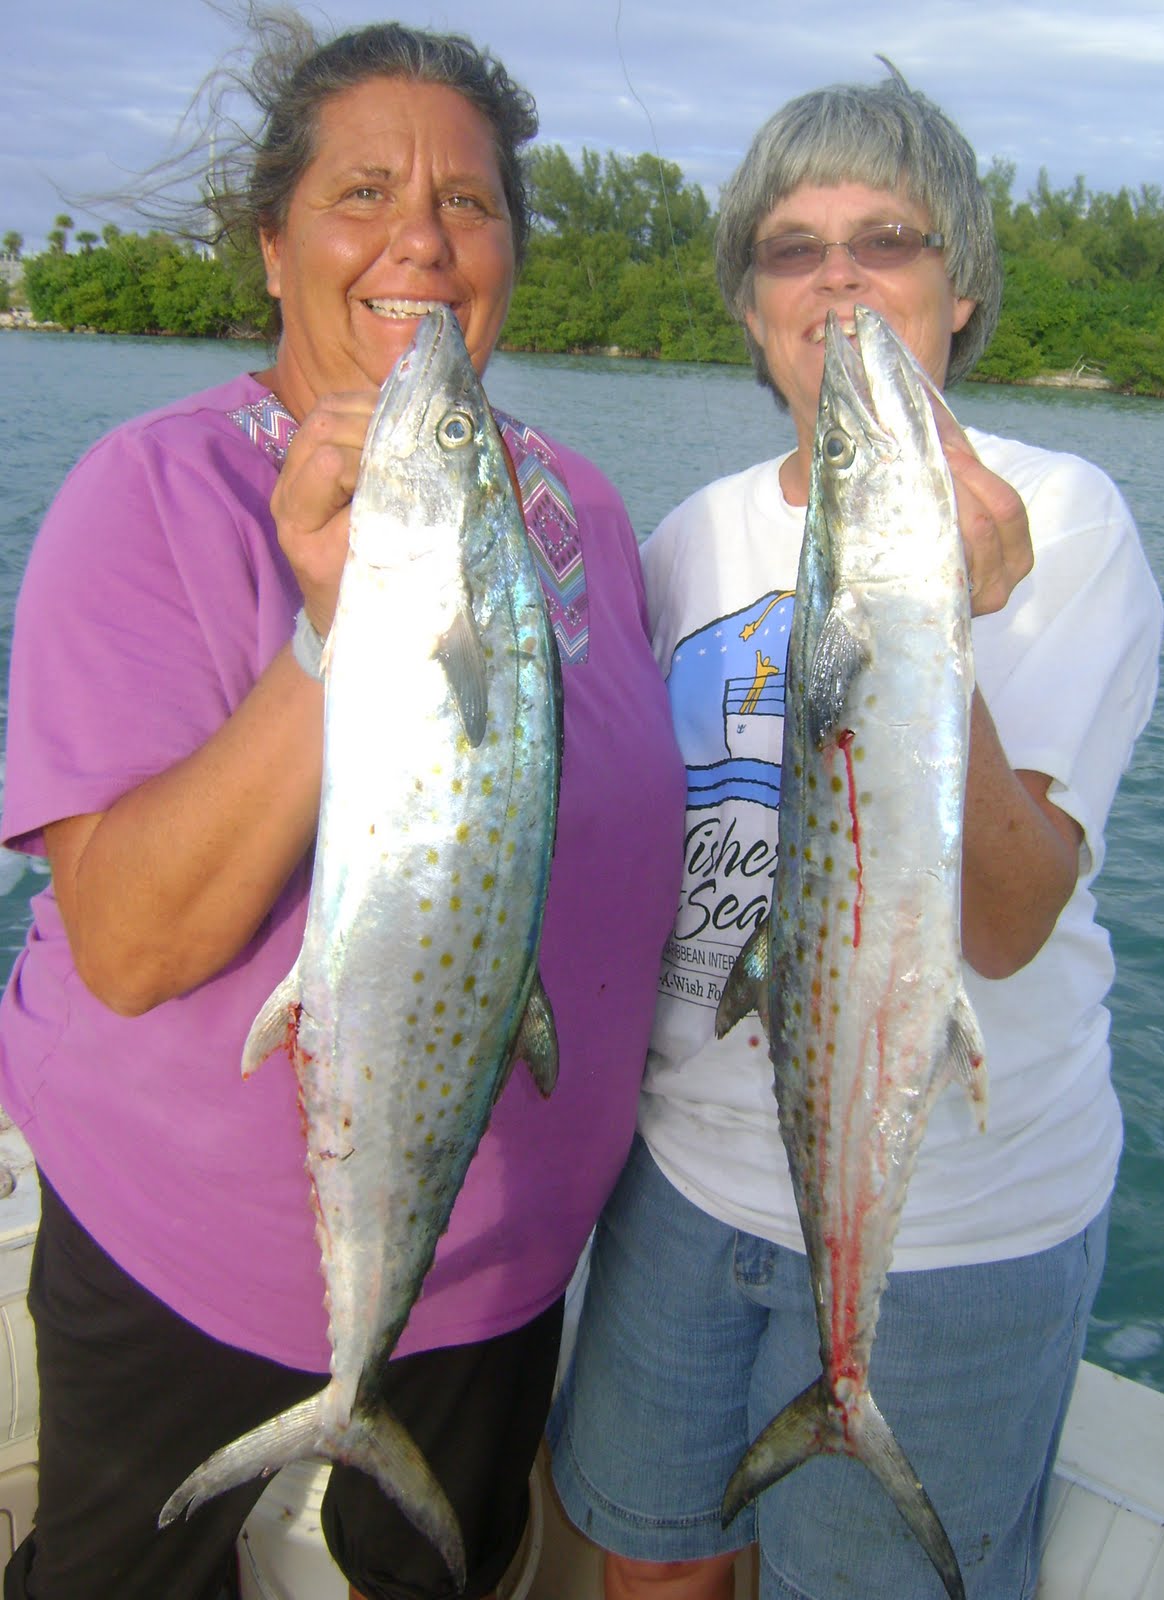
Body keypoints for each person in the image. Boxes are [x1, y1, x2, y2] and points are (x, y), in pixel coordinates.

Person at [0, 15, 684, 1600]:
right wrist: (331, 627)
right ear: (271, 244)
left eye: (472, 203)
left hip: (495, 1275)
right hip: (183, 1265)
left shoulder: (574, 500)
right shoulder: (153, 489)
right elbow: (128, 944)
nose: (422, 242)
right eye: (362, 193)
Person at [549, 64, 1162, 1600]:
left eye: (884, 241)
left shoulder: (1065, 517)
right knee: (650, 1563)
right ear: (751, 308)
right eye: (791, 248)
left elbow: (1007, 925)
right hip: (686, 1185)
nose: (837, 278)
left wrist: (927, 625)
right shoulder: (690, 536)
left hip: (960, 1227)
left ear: (959, 292)